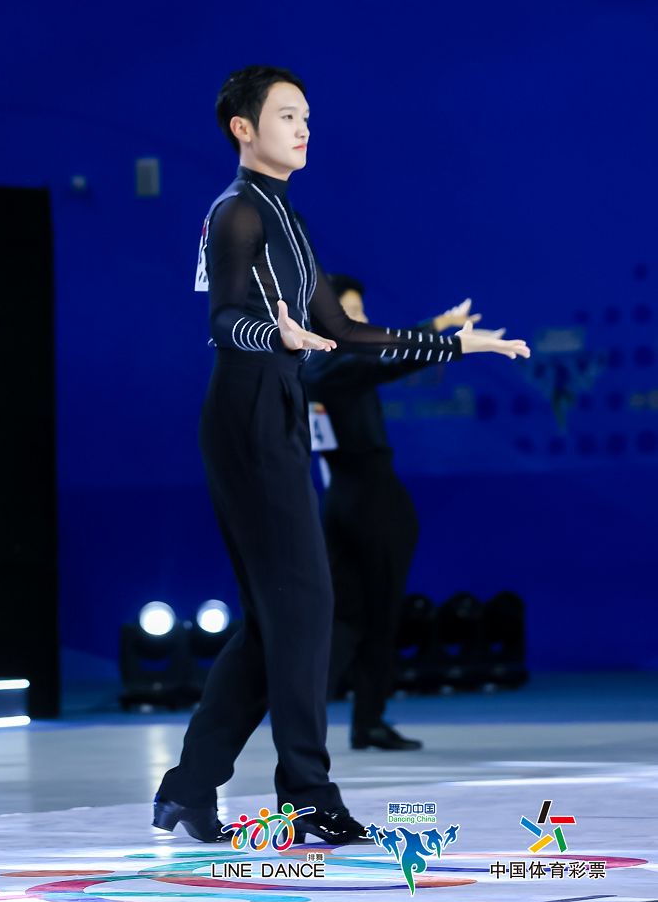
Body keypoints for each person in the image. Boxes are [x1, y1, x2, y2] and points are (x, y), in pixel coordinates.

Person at [154, 66, 530, 845]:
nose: (303, 128)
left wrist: (453, 344)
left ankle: (190, 787)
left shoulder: (286, 216)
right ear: (243, 128)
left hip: (278, 408)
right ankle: (306, 794)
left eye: (306, 116)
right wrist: (275, 332)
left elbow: (346, 330)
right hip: (246, 410)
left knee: (281, 617)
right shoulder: (236, 213)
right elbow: (223, 321)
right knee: (304, 605)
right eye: (286, 115)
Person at [303, 278, 498, 752]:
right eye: (352, 313)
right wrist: (447, 335)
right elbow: (393, 357)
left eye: (361, 312)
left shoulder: (312, 366)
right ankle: (355, 720)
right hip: (373, 500)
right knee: (377, 615)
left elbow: (384, 352)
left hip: (339, 501)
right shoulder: (340, 365)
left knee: (347, 617)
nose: (364, 321)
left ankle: (317, 719)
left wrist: (438, 325)